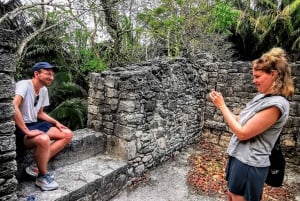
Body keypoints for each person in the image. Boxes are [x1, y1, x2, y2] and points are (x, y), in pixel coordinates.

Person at [209, 47, 294, 201]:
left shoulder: (276, 105)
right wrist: (222, 105)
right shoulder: (262, 97)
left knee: (238, 197)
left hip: (250, 163)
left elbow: (242, 133)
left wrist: (222, 106)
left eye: (257, 76)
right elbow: (240, 120)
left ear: (273, 75)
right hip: (238, 157)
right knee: (231, 194)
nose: (253, 80)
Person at [13, 62, 73, 191]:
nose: (51, 77)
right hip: (18, 126)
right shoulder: (24, 85)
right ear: (36, 74)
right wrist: (26, 131)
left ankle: (37, 165)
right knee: (44, 139)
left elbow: (39, 113)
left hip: (35, 123)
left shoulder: (43, 90)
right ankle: (42, 176)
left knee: (67, 133)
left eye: (52, 75)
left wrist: (55, 122)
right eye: (48, 74)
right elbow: (13, 106)